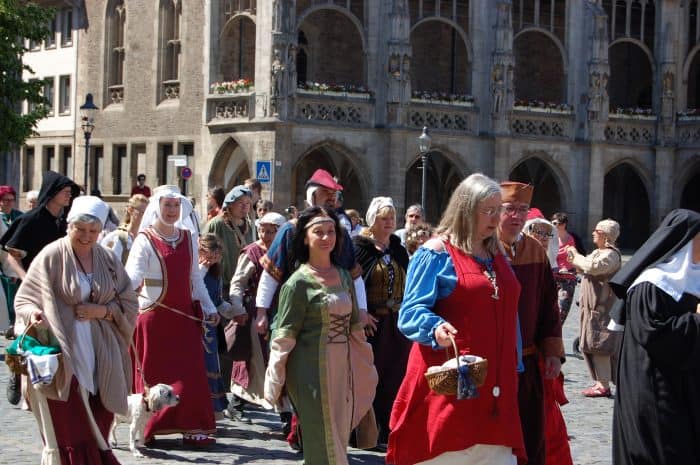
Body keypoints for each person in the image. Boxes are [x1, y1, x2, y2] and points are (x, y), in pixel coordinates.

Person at [387, 173, 524, 465]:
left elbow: (509, 310)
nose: (495, 218)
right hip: (453, 384)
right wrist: (434, 327)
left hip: (499, 389)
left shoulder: (496, 253)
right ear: (465, 209)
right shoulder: (436, 253)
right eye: (487, 211)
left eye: (497, 209)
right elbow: (410, 312)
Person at [14, 195, 138, 465]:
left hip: (101, 351)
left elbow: (128, 300)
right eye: (79, 230)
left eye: (93, 231)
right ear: (68, 226)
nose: (86, 236)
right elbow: (24, 298)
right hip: (64, 351)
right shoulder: (52, 255)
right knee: (71, 423)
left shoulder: (107, 259)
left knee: (99, 415)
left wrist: (103, 311)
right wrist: (34, 314)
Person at [264, 206, 377, 465]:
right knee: (322, 439)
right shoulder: (297, 283)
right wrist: (276, 375)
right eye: (319, 232)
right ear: (305, 237)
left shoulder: (344, 277)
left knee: (337, 437)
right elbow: (284, 336)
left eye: (331, 232)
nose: (326, 238)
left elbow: (354, 328)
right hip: (309, 372)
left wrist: (364, 367)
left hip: (342, 369)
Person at [125, 185, 220, 446]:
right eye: (166, 205)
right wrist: (118, 290)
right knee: (154, 375)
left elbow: (194, 279)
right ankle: (150, 426)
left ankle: (192, 425)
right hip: (154, 317)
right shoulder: (145, 238)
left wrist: (210, 308)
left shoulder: (189, 237)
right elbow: (133, 275)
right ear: (157, 206)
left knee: (191, 373)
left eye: (175, 206)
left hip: (183, 317)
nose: (171, 210)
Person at [608, 209, 700, 465]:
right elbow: (656, 335)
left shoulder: (692, 280)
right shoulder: (652, 285)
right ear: (685, 242)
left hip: (682, 390)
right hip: (654, 392)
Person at [498, 181, 563, 465]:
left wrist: (552, 351)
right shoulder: (484, 249)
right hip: (495, 367)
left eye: (522, 209)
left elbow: (549, 305)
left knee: (531, 436)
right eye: (509, 209)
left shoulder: (535, 250)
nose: (517, 215)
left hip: (528, 364)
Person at [1, 171, 79, 404]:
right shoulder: (31, 219)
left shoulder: (66, 223)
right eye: (65, 191)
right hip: (33, 289)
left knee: (54, 337)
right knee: (29, 333)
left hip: (59, 287)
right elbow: (12, 255)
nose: (68, 196)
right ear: (52, 192)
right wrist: (26, 278)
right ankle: (17, 369)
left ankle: (54, 380)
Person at [352, 197, 409, 447]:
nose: (389, 223)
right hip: (371, 324)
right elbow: (352, 285)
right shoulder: (359, 248)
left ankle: (388, 430)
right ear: (372, 220)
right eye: (384, 218)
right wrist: (361, 313)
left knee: (395, 377)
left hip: (396, 324)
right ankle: (365, 433)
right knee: (369, 378)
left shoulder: (397, 247)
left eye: (392, 218)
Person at [522, 209, 573, 465]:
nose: (542, 237)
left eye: (547, 233)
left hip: (539, 353)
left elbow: (551, 313)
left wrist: (554, 350)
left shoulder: (545, 263)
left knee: (547, 422)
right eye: (537, 232)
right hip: (522, 353)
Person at [229, 212, 286, 410]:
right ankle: (238, 403)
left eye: (271, 231)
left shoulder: (286, 252)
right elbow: (238, 282)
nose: (265, 235)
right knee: (253, 359)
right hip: (254, 312)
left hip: (280, 311)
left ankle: (282, 408)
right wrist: (237, 307)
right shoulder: (252, 253)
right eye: (262, 230)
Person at [566, 219, 622, 398]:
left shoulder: (611, 255)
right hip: (590, 307)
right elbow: (584, 266)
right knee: (591, 343)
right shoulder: (599, 252)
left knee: (600, 343)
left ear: (604, 235)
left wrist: (575, 255)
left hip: (602, 307)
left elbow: (591, 267)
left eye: (596, 231)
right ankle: (600, 382)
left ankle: (604, 385)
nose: (592, 233)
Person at [198, 233, 233, 420]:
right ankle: (203, 408)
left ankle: (214, 409)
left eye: (216, 258)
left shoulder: (215, 273)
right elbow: (194, 290)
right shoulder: (197, 271)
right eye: (209, 257)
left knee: (213, 364)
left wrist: (235, 311)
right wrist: (201, 270)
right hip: (197, 325)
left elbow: (217, 301)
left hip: (211, 327)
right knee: (201, 367)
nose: (212, 262)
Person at [551, 212, 585, 325]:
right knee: (548, 311)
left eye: (555, 223)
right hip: (552, 278)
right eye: (552, 222)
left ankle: (556, 338)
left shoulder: (572, 238)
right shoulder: (550, 238)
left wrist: (575, 268)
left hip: (567, 279)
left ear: (563, 224)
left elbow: (579, 256)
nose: (553, 225)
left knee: (561, 312)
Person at [100, 194, 149, 264]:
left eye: (147, 214)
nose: (145, 217)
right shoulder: (118, 237)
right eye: (143, 213)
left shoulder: (146, 237)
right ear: (130, 210)